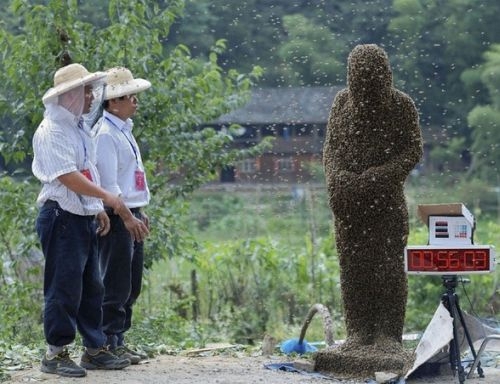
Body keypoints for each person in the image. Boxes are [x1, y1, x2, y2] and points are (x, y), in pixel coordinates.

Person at [32, 63, 150, 377]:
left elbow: (88, 170)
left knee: (91, 287)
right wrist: (109, 199)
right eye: (85, 91)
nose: (90, 96)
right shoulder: (52, 131)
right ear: (69, 95)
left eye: (90, 90)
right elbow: (68, 177)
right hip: (61, 217)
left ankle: (95, 349)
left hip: (82, 215)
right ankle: (55, 353)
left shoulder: (78, 128)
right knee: (64, 287)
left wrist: (96, 206)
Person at [94, 67, 152, 364]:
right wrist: (129, 216)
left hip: (131, 212)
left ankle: (119, 339)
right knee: (115, 282)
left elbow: (132, 178)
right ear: (113, 103)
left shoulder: (123, 131)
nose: (135, 102)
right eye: (130, 97)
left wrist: (140, 210)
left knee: (130, 282)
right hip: (118, 216)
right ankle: (106, 341)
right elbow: (110, 186)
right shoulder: (105, 135)